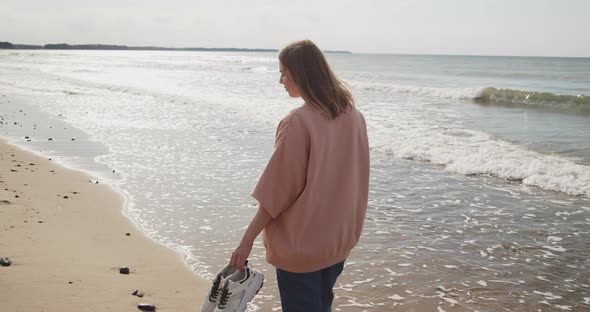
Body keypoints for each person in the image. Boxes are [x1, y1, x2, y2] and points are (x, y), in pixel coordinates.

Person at [229, 39, 370, 312]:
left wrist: (246, 242)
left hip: (302, 244)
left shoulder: (298, 121)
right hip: (338, 240)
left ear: (301, 73)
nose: (280, 80)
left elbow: (276, 192)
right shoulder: (355, 117)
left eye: (284, 72)